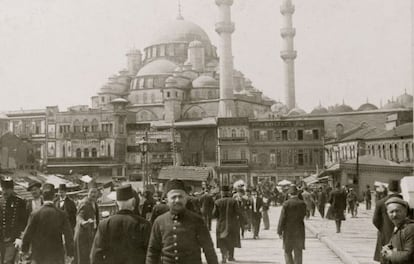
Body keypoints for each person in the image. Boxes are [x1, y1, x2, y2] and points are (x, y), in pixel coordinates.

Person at [146, 179, 218, 264]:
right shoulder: (159, 221)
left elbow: (209, 249)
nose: (177, 200)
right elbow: (152, 251)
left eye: (180, 197)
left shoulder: (197, 220)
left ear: (186, 198)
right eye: (173, 197)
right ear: (166, 199)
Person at [90, 184, 151, 264]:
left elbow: (95, 256)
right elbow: (151, 255)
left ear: (116, 204)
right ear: (133, 202)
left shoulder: (105, 224)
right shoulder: (144, 224)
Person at [21, 183, 74, 264]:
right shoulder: (61, 214)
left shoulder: (35, 213)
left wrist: (24, 250)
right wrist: (70, 253)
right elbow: (68, 235)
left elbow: (27, 233)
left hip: (38, 255)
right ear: (54, 196)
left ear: (42, 195)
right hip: (56, 255)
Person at [373, 180, 403, 263]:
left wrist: (383, 229)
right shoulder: (405, 203)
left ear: (388, 189)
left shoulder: (380, 203)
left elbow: (375, 220)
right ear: (399, 189)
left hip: (385, 235)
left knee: (385, 258)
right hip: (403, 236)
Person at [0, 177, 27, 264]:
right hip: (1, 239)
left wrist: (20, 237)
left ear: (12, 189)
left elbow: (23, 222)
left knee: (7, 261)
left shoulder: (20, 202)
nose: (5, 191)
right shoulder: (0, 202)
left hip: (12, 240)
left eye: (7, 189)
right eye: (3, 189)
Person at [277, 185, 307, 264]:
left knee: (287, 251)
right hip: (299, 230)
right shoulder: (302, 203)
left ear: (289, 194)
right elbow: (304, 215)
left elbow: (282, 218)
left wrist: (279, 231)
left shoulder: (286, 204)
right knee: (298, 251)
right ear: (297, 193)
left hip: (288, 231)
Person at [380, 197, 414, 264]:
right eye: (391, 212)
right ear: (387, 214)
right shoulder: (398, 227)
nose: (394, 215)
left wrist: (390, 255)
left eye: (398, 211)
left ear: (405, 212)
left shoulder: (411, 228)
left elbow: (410, 256)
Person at [213, 185, 242, 263]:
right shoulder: (234, 201)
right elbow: (238, 212)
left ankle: (223, 257)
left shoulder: (217, 202)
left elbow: (214, 214)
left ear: (222, 193)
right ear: (229, 192)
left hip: (221, 224)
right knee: (231, 240)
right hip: (232, 224)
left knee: (222, 240)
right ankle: (231, 257)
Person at [74, 187, 99, 264]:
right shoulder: (84, 203)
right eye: (91, 192)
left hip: (90, 234)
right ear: (88, 193)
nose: (93, 194)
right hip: (83, 235)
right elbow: (79, 216)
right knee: (83, 258)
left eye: (95, 192)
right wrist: (83, 222)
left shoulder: (94, 203)